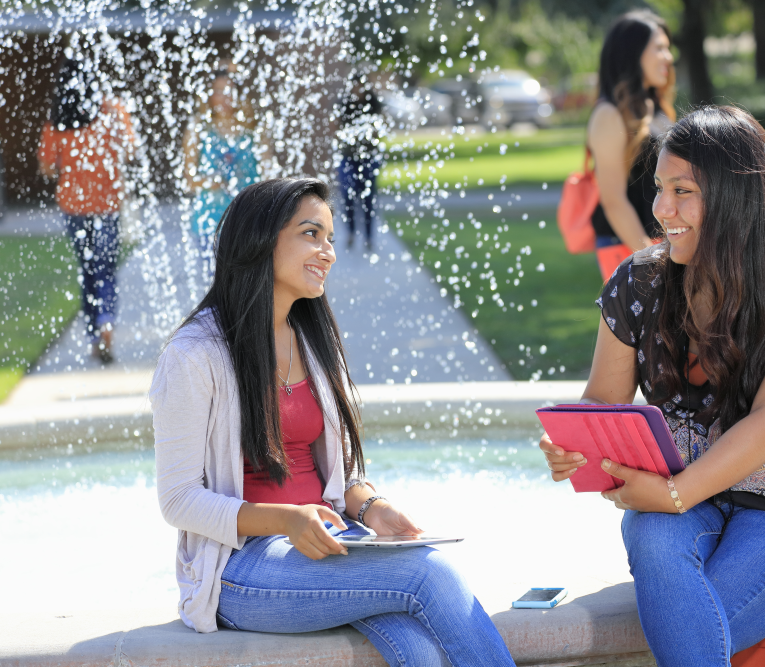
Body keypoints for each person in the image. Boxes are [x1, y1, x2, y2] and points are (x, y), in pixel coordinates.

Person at [539, 107, 765, 665]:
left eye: (683, 191)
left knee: (686, 619)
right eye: (659, 188)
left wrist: (672, 495)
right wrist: (573, 441)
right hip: (682, 492)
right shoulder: (639, 281)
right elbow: (603, 401)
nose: (661, 209)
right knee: (653, 539)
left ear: (737, 197)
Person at [150, 178, 514, 666]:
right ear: (261, 239)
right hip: (243, 567)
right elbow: (178, 500)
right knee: (431, 574)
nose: (329, 252)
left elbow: (337, 475)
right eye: (311, 234)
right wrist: (285, 519)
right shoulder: (195, 354)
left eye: (330, 237)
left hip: (331, 540)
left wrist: (372, 509)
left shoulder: (313, 342)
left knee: (419, 649)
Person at [38, 58, 135, 364]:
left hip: (73, 205)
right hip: (107, 204)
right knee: (106, 267)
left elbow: (46, 168)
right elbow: (129, 151)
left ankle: (95, 335)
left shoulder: (57, 122)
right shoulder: (112, 111)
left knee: (88, 269)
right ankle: (107, 319)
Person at [588, 10, 676, 281]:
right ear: (632, 53)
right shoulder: (609, 115)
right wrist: (651, 257)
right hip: (630, 247)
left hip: (661, 245)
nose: (669, 57)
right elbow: (614, 201)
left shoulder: (655, 107)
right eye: (659, 48)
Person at [182, 67, 263, 276]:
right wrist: (212, 181)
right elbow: (188, 182)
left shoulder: (254, 131)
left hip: (248, 224)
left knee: (248, 292)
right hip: (210, 225)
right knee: (217, 292)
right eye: (218, 91)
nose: (223, 97)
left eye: (229, 91)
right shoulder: (198, 131)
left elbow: (270, 175)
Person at [336, 72, 386, 251]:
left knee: (368, 198)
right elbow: (335, 127)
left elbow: (382, 125)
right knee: (348, 196)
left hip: (368, 157)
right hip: (348, 157)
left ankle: (368, 236)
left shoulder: (373, 104)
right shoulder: (344, 104)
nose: (357, 90)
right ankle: (350, 232)